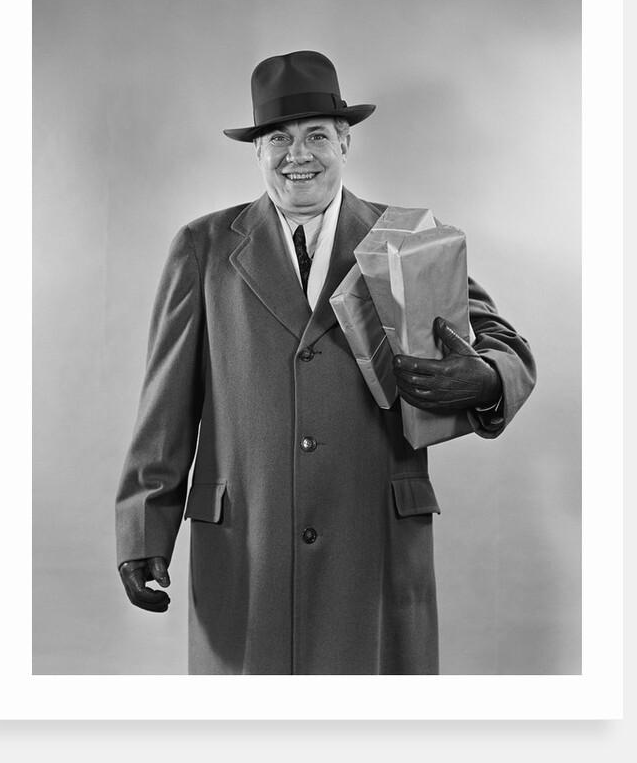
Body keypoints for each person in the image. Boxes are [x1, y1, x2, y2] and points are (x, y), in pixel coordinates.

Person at [115, 50, 536, 675]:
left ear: (345, 141)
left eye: (316, 136)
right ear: (257, 152)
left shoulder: (407, 239)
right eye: (278, 139)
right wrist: (144, 528)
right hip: (246, 546)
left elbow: (504, 341)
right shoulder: (201, 249)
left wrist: (487, 376)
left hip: (373, 543)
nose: (297, 155)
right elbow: (166, 405)